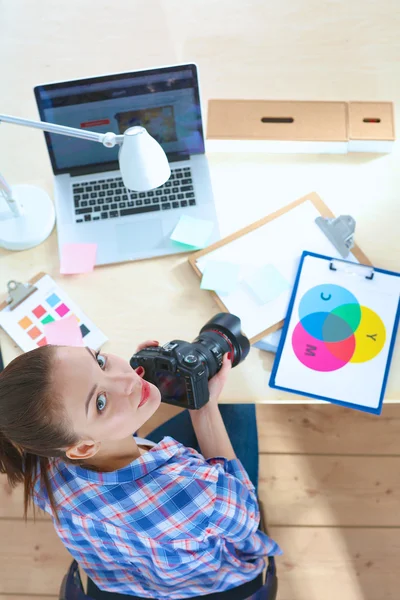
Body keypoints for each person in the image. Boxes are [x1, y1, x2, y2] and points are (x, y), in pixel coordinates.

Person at [0, 341, 281, 600]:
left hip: (120, 582)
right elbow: (246, 520)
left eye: (99, 362)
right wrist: (204, 408)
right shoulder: (197, 493)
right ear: (83, 449)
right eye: (100, 402)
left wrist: (120, 399)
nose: (127, 379)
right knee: (238, 401)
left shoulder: (42, 467)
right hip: (211, 581)